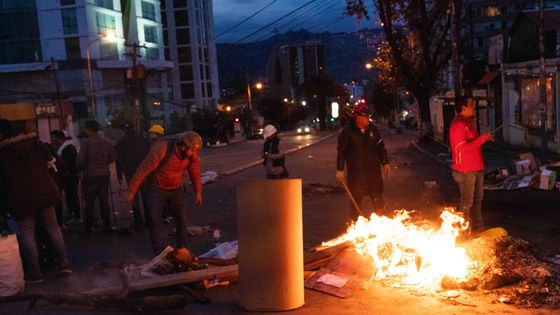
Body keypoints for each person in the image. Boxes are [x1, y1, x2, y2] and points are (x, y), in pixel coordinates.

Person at [0, 119, 71, 284]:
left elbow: (2, 185)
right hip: (45, 193)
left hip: (21, 200)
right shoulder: (37, 144)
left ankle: (35, 274)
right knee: (54, 229)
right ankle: (65, 265)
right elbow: (55, 164)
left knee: (27, 235)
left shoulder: (3, 155)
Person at [127, 131, 203, 255]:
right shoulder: (161, 150)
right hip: (156, 188)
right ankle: (160, 254)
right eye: (191, 151)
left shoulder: (191, 154)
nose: (194, 154)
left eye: (195, 151)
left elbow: (194, 171)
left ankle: (183, 249)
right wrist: (131, 191)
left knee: (181, 219)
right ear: (182, 146)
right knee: (154, 220)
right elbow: (142, 170)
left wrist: (198, 191)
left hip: (176, 188)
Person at [336, 103, 391, 221]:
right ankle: (355, 226)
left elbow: (380, 147)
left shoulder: (373, 129)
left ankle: (380, 224)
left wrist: (385, 162)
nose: (368, 119)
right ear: (358, 117)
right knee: (356, 202)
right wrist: (340, 169)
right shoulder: (347, 132)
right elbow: (341, 151)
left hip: (373, 173)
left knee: (378, 200)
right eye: (366, 117)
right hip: (357, 175)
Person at [449, 96, 493, 234]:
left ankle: (478, 228)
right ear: (463, 108)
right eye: (471, 105)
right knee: (467, 201)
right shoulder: (458, 125)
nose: (473, 107)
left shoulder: (468, 122)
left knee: (478, 199)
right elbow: (462, 149)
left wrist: (484, 139)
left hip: (476, 166)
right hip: (465, 169)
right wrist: (481, 139)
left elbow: (474, 143)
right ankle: (463, 231)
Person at [77, 120, 115, 234]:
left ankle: (89, 226)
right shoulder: (106, 142)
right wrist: (104, 163)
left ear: (89, 129)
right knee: (104, 201)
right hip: (103, 174)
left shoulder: (86, 143)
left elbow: (80, 161)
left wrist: (82, 167)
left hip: (90, 175)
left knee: (90, 202)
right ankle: (106, 225)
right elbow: (113, 157)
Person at [116, 122, 150, 226]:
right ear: (135, 128)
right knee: (146, 195)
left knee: (133, 195)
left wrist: (119, 174)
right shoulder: (143, 140)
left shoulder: (122, 142)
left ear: (125, 130)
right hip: (143, 171)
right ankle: (149, 218)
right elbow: (149, 155)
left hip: (130, 171)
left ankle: (138, 219)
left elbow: (119, 159)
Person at [50, 130, 81, 225]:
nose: (52, 139)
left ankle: (76, 215)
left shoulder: (67, 148)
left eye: (54, 137)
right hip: (69, 176)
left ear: (60, 138)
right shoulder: (65, 147)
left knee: (72, 195)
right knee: (70, 195)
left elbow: (68, 164)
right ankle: (73, 214)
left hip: (70, 176)